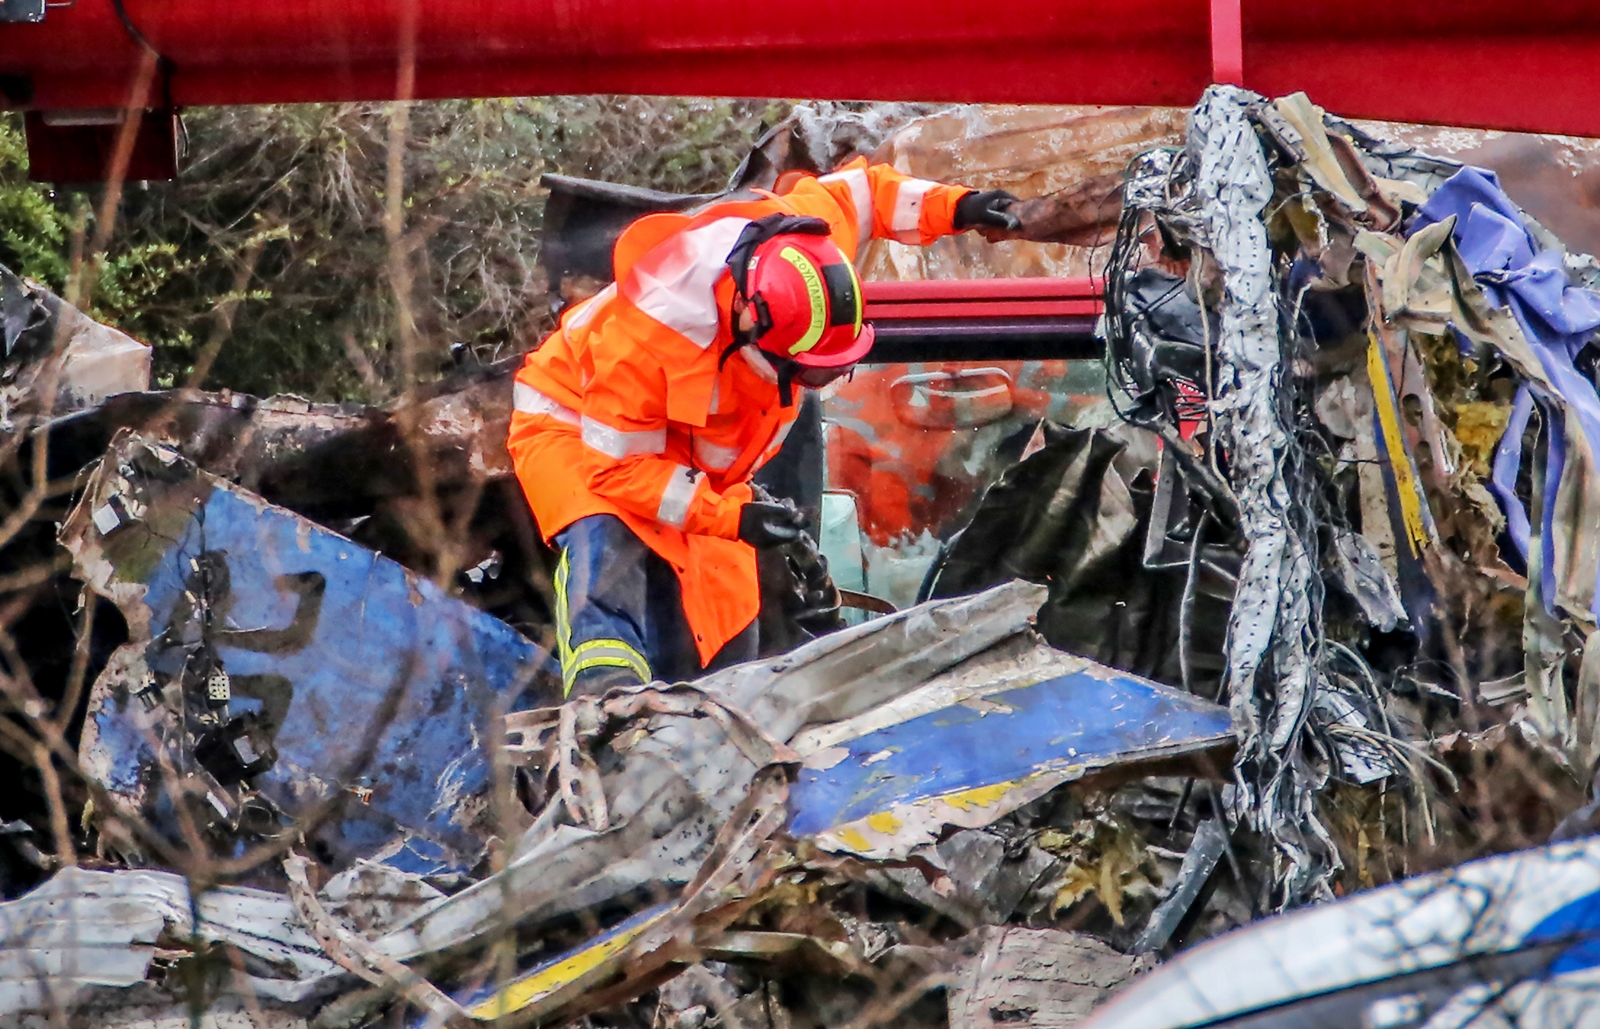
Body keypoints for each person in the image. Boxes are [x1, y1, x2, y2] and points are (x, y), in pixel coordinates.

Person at [508, 157, 1028, 697]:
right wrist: (730, 513)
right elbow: (619, 471)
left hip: (681, 453)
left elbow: (867, 192)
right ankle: (606, 702)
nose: (816, 382)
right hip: (577, 428)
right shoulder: (649, 342)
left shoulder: (805, 243)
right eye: (809, 370)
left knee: (725, 610)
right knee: (610, 541)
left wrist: (960, 206)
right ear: (752, 323)